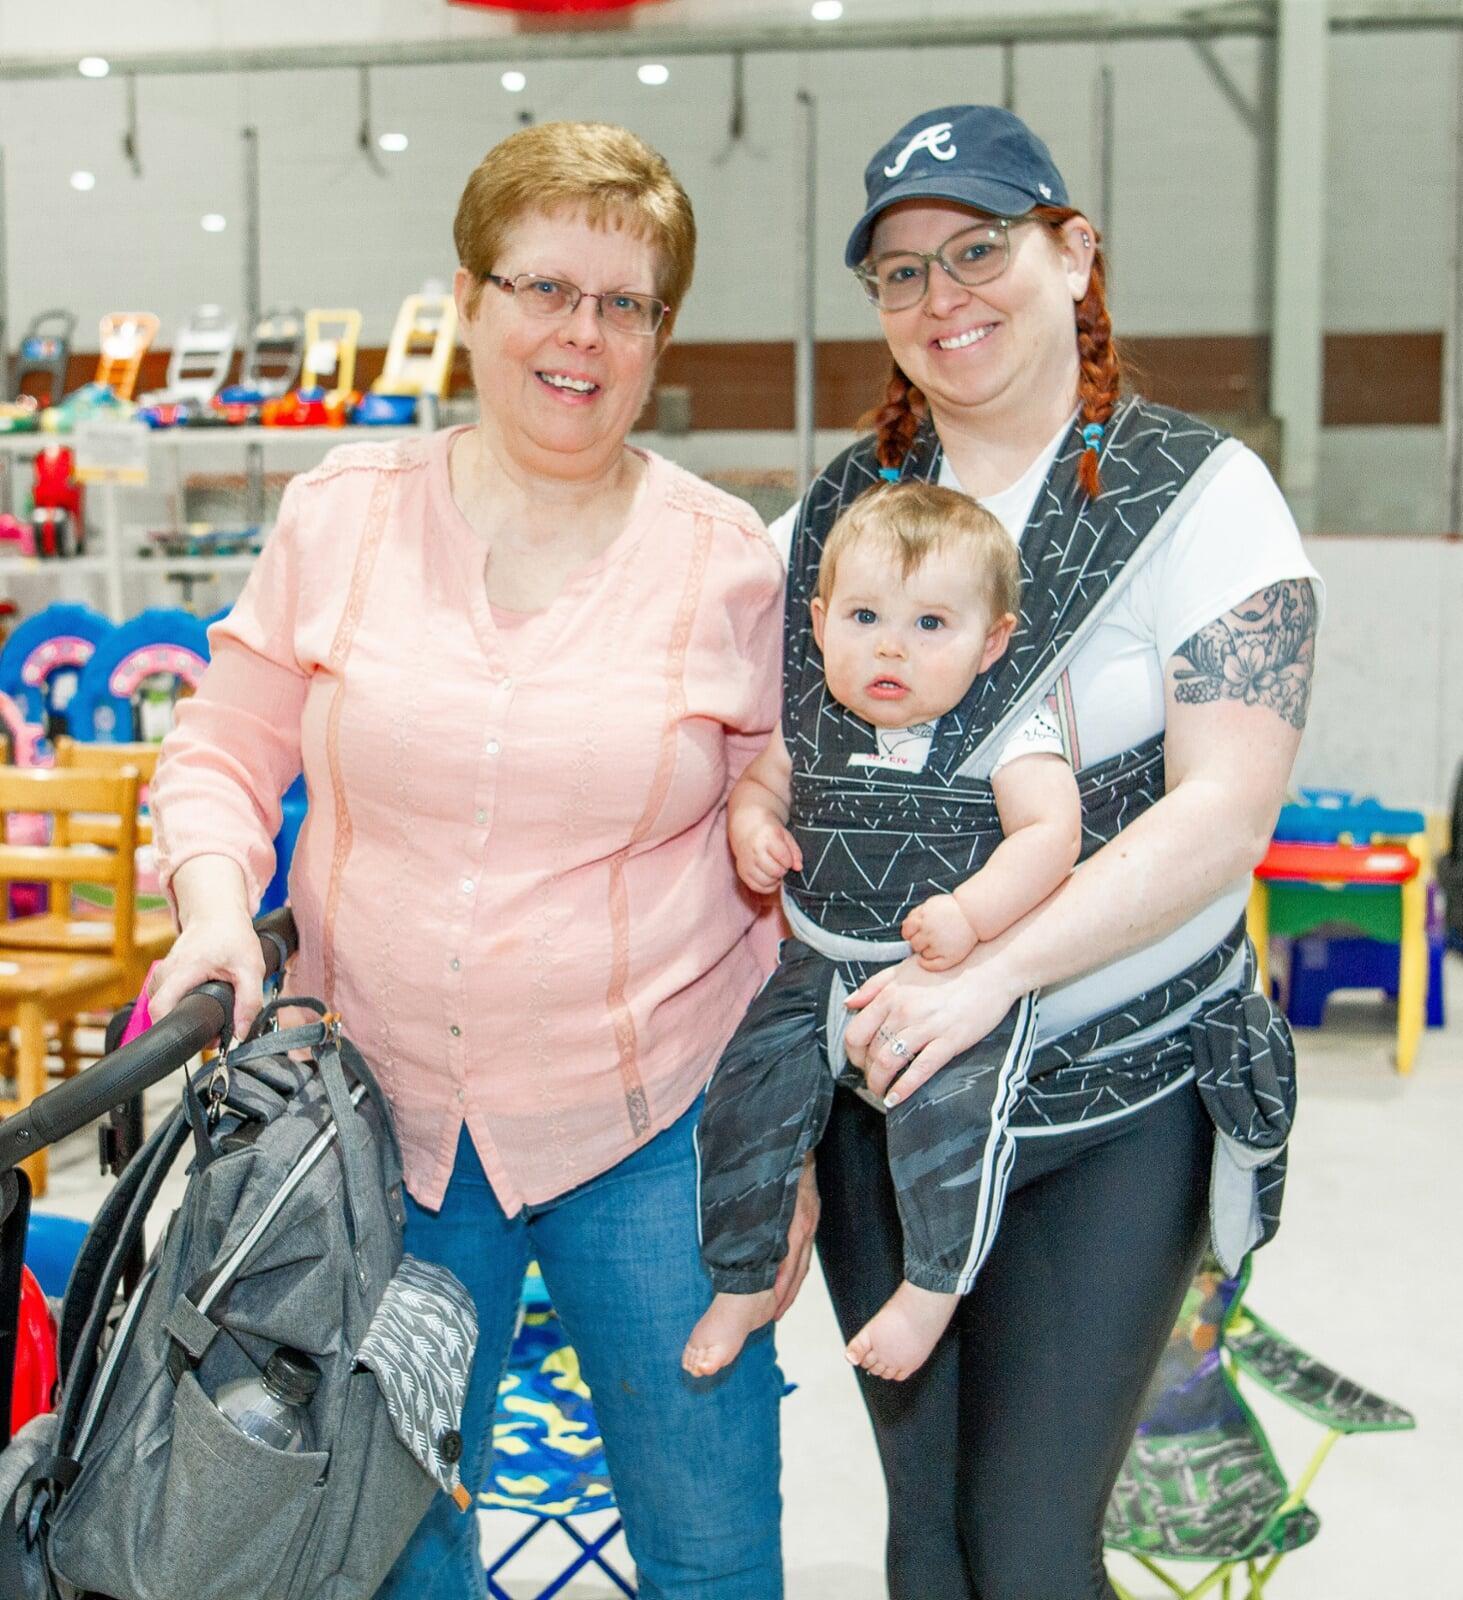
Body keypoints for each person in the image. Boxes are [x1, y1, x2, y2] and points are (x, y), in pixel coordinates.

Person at [147, 121, 799, 1600]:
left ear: (658, 336)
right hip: (378, 1129)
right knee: (387, 1540)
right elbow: (223, 748)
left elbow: (779, 855)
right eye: (542, 288)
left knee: (709, 1544)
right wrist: (208, 910)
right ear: (467, 300)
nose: (580, 333)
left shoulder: (725, 562)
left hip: (646, 1130)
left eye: (623, 304)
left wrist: (779, 1161)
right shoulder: (342, 516)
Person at [767, 105, 1319, 1600]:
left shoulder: (1196, 496)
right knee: (926, 1535)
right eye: (898, 273)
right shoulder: (834, 517)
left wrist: (989, 972)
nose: (941, 297)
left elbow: (1223, 810)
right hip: (884, 1103)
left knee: (1024, 1542)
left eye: (977, 249)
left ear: (1071, 257)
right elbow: (778, 771)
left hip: (1117, 1095)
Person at [683, 481, 1082, 1384]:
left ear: (993, 642)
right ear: (819, 623)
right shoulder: (814, 717)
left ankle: (933, 1286)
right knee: (743, 1101)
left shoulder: (1008, 729)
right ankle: (743, 1275)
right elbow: (759, 788)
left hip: (940, 980)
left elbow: (1052, 835)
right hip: (815, 961)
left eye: (931, 625)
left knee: (947, 1127)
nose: (891, 645)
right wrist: (753, 829)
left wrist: (972, 913)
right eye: (864, 616)